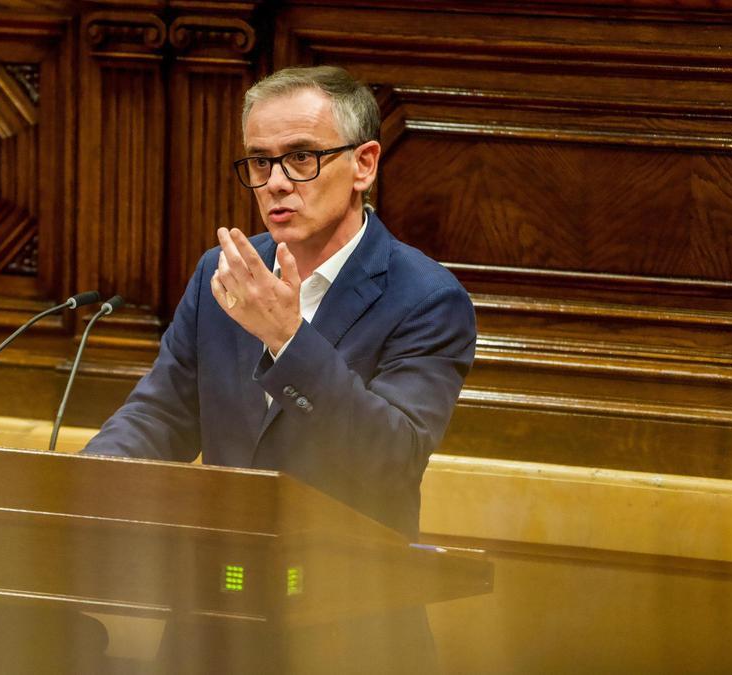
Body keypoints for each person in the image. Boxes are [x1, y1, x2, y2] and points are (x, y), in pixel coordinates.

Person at [83, 65, 475, 541]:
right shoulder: (223, 272)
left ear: (364, 164)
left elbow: (392, 459)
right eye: (261, 161)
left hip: (349, 592)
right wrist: (84, 481)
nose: (276, 183)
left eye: (302, 157)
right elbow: (163, 416)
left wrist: (288, 341)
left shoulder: (427, 299)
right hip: (217, 589)